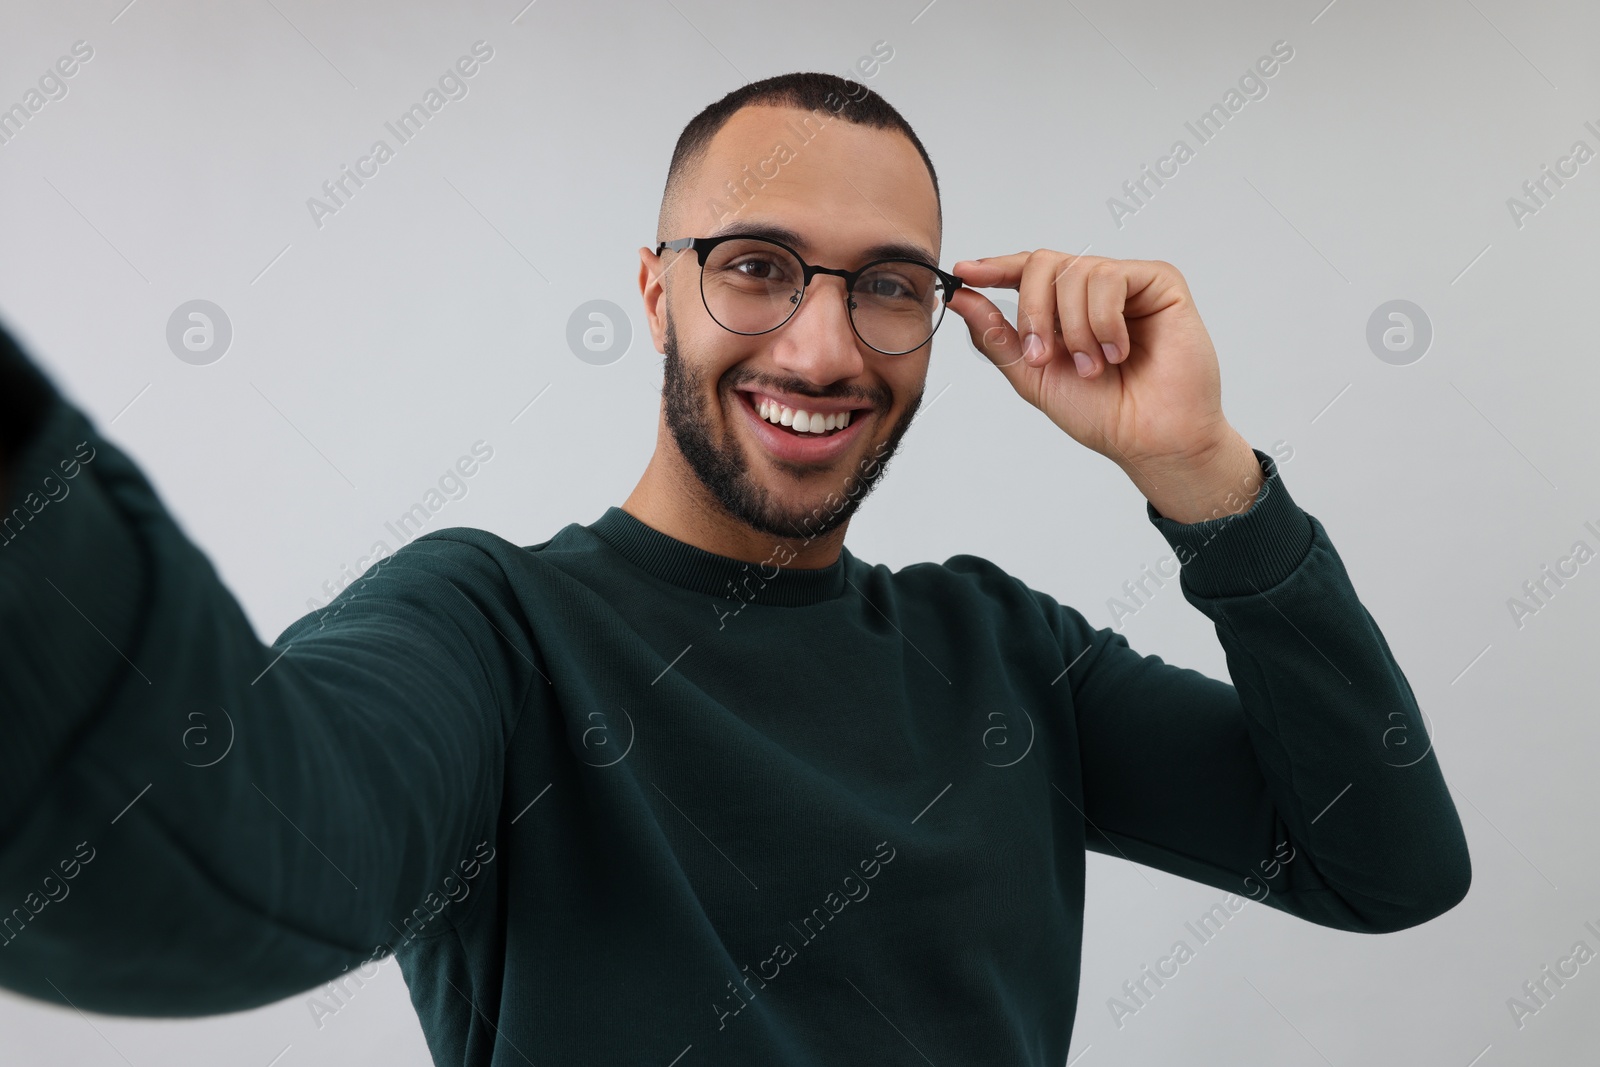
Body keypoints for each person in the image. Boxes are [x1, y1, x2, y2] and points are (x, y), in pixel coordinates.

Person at [0, 71, 1468, 1065]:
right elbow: (221, 860)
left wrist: (1199, 475)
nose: (823, 350)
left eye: (887, 287)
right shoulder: (490, 628)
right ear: (657, 289)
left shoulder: (1012, 656)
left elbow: (1389, 864)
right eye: (755, 264)